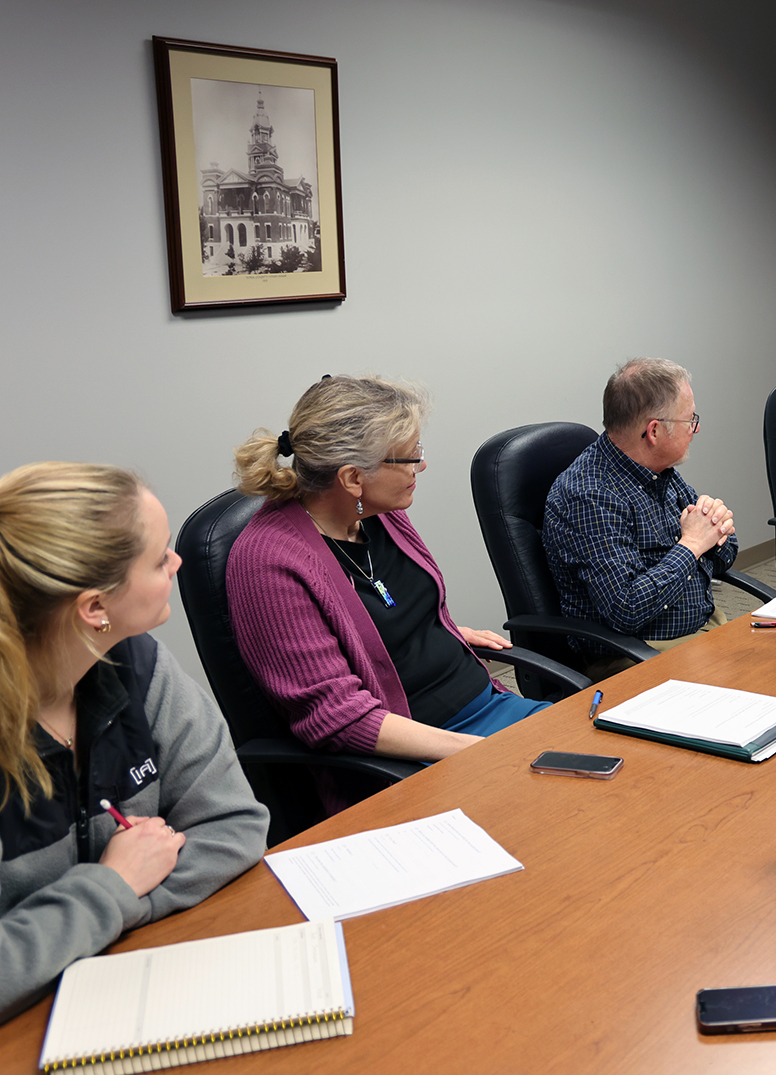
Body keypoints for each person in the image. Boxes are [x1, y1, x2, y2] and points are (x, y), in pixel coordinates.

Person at [0, 463, 268, 1021]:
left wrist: (106, 914)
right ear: (94, 608)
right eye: (159, 557)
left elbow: (234, 827)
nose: (177, 563)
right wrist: (111, 885)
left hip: (144, 978)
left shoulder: (137, 662)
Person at [228, 376, 548, 802]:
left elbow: (387, 606)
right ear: (353, 478)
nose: (422, 466)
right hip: (412, 760)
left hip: (488, 705)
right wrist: (479, 751)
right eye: (411, 458)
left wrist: (441, 629)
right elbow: (337, 717)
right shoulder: (267, 563)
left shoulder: (376, 513)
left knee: (613, 756)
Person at [543, 358, 737, 679]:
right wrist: (691, 546)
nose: (696, 428)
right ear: (655, 430)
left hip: (704, 627)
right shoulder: (590, 496)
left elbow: (726, 554)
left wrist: (711, 534)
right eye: (690, 419)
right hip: (637, 654)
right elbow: (626, 610)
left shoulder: (661, 472)